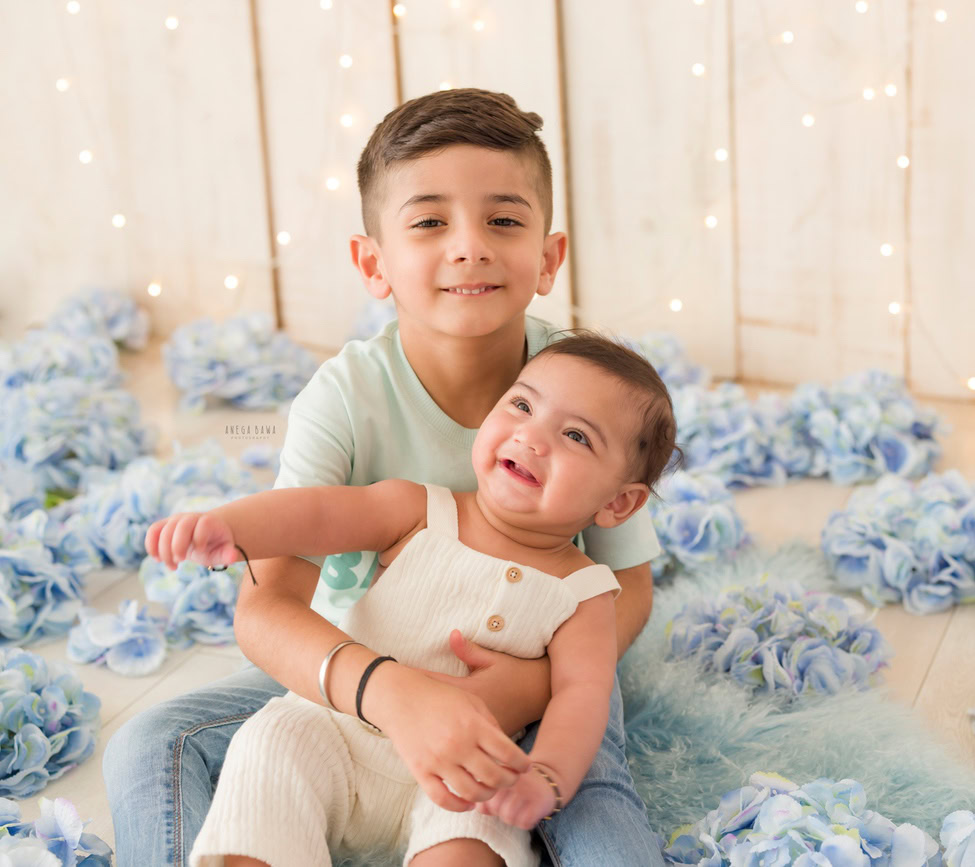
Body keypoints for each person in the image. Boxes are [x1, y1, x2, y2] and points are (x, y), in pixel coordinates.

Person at [103, 88, 668, 867]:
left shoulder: (581, 389)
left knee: (592, 802)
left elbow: (627, 586)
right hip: (355, 673)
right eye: (430, 221)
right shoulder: (342, 399)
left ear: (548, 257)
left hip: (532, 664)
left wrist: (525, 689)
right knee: (149, 743)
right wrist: (393, 693)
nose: (469, 245)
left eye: (503, 220)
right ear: (374, 263)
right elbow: (267, 606)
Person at [147, 334, 677, 867]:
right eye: (521, 405)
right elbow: (316, 516)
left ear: (618, 502)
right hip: (335, 730)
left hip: (466, 763)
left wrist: (548, 777)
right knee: (270, 744)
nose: (532, 437)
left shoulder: (585, 592)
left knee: (477, 833)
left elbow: (581, 697)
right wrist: (234, 527)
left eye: (576, 436)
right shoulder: (420, 509)